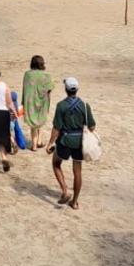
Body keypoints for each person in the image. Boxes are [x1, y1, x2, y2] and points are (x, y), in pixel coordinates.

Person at [47, 76, 95, 209]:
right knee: (77, 172)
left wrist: (50, 143)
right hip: (79, 141)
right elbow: (91, 127)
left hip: (65, 140)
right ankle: (74, 202)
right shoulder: (85, 106)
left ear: (66, 89)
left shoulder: (61, 106)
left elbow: (57, 127)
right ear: (77, 89)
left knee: (56, 164)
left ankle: (65, 191)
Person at [21, 55, 55, 150]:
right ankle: (36, 143)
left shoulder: (27, 74)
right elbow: (49, 90)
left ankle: (36, 143)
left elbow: (25, 89)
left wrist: (23, 102)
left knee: (33, 124)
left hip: (30, 102)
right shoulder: (46, 76)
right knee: (40, 120)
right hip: (43, 102)